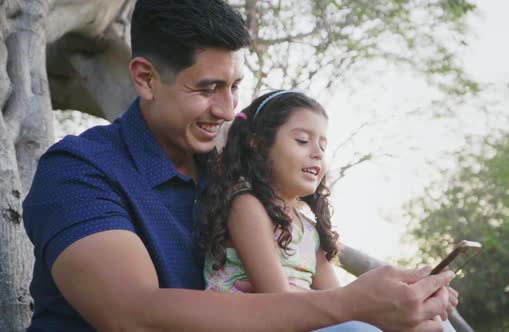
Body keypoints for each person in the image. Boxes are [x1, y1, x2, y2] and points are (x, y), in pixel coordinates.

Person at [22, 0, 456, 331]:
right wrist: (347, 305)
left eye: (234, 87)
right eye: (208, 88)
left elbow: (304, 291)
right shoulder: (79, 172)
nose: (228, 109)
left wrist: (394, 309)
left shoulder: (238, 177)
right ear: (145, 78)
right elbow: (135, 315)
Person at [203, 90, 342, 294]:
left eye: (323, 146)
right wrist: (313, 297)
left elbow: (341, 300)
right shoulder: (247, 207)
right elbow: (278, 297)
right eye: (302, 140)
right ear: (258, 144)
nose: (318, 153)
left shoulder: (310, 232)